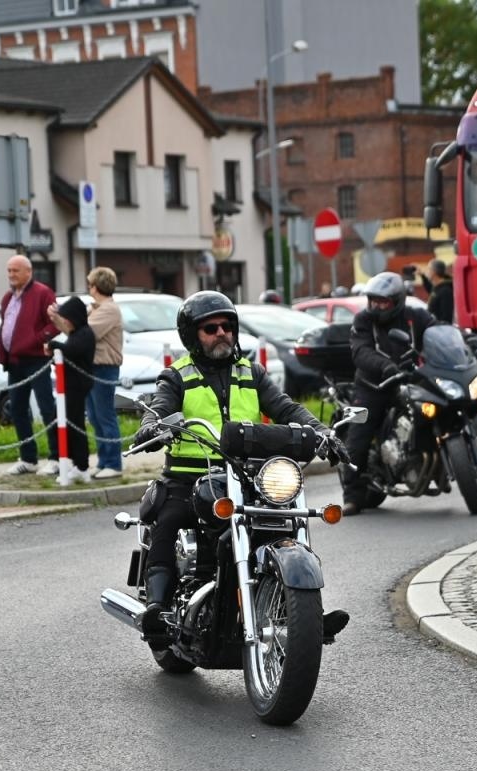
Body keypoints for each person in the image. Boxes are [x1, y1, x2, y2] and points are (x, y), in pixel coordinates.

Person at [131, 291, 328, 635]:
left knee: (288, 519)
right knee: (168, 518)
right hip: (189, 477)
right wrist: (153, 427)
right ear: (194, 336)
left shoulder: (252, 373)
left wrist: (321, 431)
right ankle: (157, 609)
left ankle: (303, 612)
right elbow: (161, 406)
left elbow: (286, 408)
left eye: (227, 326)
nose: (221, 333)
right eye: (211, 328)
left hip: (248, 476)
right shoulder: (177, 376)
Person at [340, 271, 436, 515]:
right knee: (358, 434)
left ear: (397, 301)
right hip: (372, 386)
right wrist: (385, 366)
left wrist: (461, 341)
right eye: (374, 300)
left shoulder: (415, 317)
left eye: (383, 301)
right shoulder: (363, 320)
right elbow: (361, 352)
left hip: (409, 380)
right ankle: (352, 494)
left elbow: (437, 330)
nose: (377, 306)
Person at [0, 254, 59, 475]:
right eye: (9, 271)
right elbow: (6, 325)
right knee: (18, 410)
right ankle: (28, 457)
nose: (11, 275)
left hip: (36, 360)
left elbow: (54, 324)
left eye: (16, 270)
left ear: (28, 272)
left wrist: (37, 340)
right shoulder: (7, 298)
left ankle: (56, 457)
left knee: (47, 407)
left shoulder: (42, 293)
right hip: (14, 362)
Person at [48, 295, 95, 485]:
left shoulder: (84, 334)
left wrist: (53, 345)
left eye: (67, 318)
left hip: (77, 385)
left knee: (75, 425)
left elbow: (72, 351)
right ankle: (75, 463)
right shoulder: (77, 333)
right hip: (69, 385)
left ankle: (81, 466)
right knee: (66, 424)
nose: (65, 322)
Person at [83, 267, 125, 479]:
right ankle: (103, 460)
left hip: (104, 367)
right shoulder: (97, 308)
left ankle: (114, 463)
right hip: (92, 367)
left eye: (90, 284)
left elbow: (87, 333)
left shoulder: (109, 309)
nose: (89, 288)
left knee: (105, 415)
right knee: (94, 416)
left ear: (97, 286)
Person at [424, 259, 454, 324]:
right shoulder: (437, 287)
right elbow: (430, 289)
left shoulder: (445, 291)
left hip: (441, 330)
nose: (427, 272)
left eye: (428, 269)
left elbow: (446, 317)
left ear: (434, 272)